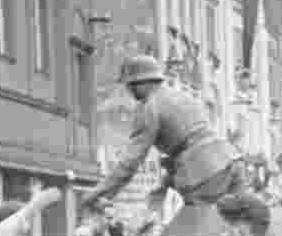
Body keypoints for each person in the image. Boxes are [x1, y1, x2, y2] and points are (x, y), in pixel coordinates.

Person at [80, 55, 243, 212]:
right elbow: (189, 143)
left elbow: (131, 160)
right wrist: (164, 185)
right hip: (229, 161)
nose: (129, 90)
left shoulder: (149, 107)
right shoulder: (181, 96)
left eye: (130, 85)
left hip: (204, 174)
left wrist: (99, 192)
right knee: (236, 222)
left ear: (142, 83)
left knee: (200, 229)